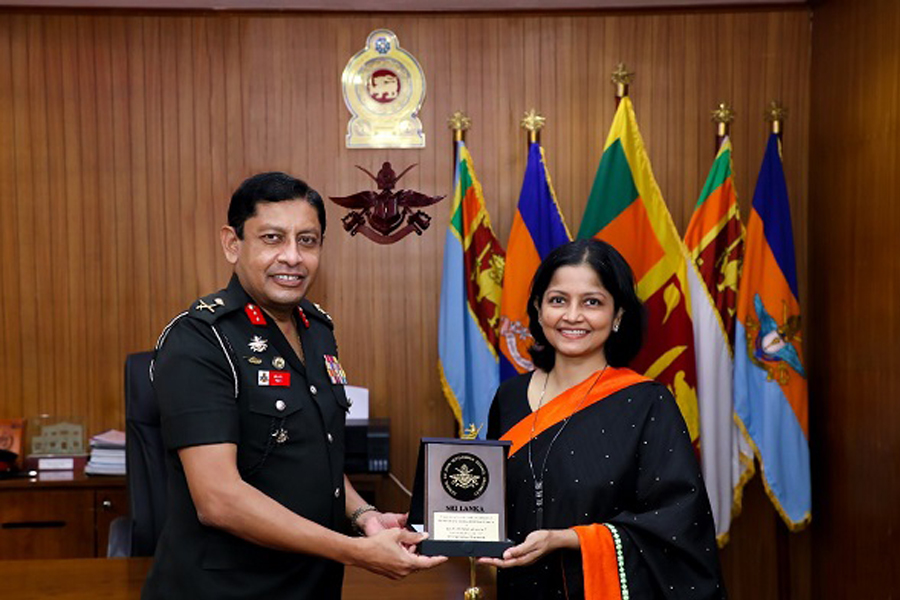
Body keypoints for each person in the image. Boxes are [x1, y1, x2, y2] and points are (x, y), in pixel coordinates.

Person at [142, 172, 445, 600]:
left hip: (311, 584)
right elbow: (219, 500)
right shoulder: (200, 341)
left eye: (308, 241)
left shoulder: (315, 328)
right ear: (233, 244)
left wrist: (364, 516)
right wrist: (357, 552)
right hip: (228, 588)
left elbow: (312, 453)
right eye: (272, 238)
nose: (293, 257)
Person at [482, 239, 725, 599]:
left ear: (618, 316)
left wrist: (569, 539)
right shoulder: (510, 397)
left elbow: (678, 527)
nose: (572, 316)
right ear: (537, 308)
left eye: (592, 302)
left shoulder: (649, 403)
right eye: (558, 300)